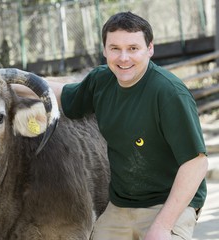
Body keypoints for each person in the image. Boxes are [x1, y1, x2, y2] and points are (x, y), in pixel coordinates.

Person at [14, 11, 208, 240]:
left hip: (169, 203)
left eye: (133, 48)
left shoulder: (168, 93)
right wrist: (7, 81)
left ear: (150, 49)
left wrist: (163, 226)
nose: (123, 57)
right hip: (122, 205)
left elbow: (196, 164)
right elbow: (60, 92)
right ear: (105, 50)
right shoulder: (102, 81)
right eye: (115, 48)